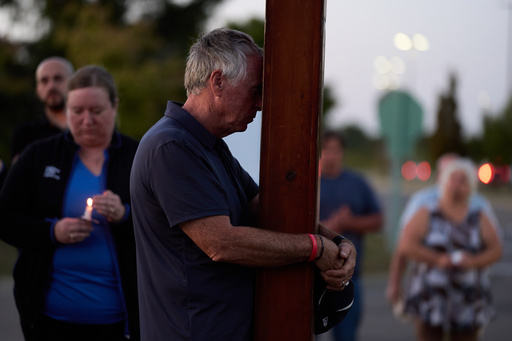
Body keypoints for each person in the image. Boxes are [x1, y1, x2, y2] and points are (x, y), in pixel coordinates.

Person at [130, 28, 356, 341]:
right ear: (218, 82)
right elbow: (221, 243)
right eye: (255, 90)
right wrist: (315, 247)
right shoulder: (170, 147)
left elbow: (265, 208)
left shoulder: (209, 146)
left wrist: (338, 242)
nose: (262, 103)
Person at [0, 65, 140, 341]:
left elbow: (166, 226)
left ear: (114, 106)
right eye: (77, 111)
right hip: (48, 321)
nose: (86, 120)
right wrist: (52, 231)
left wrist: (125, 215)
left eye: (96, 111)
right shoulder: (39, 155)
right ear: (66, 110)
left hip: (119, 321)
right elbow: (4, 217)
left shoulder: (139, 156)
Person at [397, 158, 502, 341]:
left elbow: (496, 249)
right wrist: (436, 259)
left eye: (463, 180)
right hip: (431, 294)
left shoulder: (479, 216)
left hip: (467, 297)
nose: (457, 185)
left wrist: (474, 262)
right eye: (453, 179)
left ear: (470, 187)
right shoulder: (427, 212)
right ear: (444, 181)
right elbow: (406, 244)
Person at [318, 131, 383, 341]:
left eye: (335, 150)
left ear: (342, 152)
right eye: (326, 149)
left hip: (349, 275)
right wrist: (330, 227)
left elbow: (378, 220)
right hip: (311, 276)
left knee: (346, 336)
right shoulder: (309, 183)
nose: (330, 155)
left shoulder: (357, 183)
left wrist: (348, 222)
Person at [10, 56, 74, 164]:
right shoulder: (25, 134)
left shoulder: (91, 128)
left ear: (74, 83)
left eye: (58, 78)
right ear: (37, 90)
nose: (51, 86)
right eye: (44, 81)